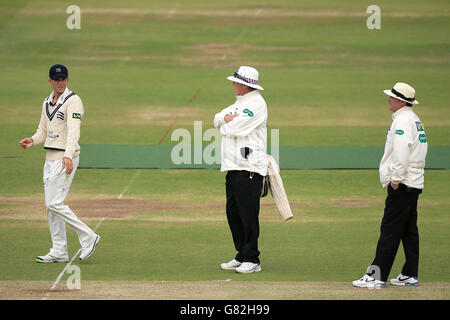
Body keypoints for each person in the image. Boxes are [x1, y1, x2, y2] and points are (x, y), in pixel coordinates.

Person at [19, 64, 100, 263]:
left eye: (63, 79)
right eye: (57, 80)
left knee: (54, 203)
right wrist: (33, 140)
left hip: (65, 157)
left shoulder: (73, 101)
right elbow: (43, 130)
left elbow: (74, 131)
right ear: (50, 81)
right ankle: (59, 251)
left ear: (68, 80)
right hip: (50, 158)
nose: (60, 82)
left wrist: (68, 156)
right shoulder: (47, 102)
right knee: (50, 206)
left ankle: (89, 236)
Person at [353, 82, 428, 288]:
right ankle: (410, 274)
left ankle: (376, 276)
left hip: (402, 184)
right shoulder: (414, 119)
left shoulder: (403, 121)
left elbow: (401, 152)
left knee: (390, 230)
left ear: (400, 101)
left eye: (392, 97)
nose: (388, 99)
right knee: (408, 230)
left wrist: (395, 179)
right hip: (413, 183)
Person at [214, 66, 268, 274]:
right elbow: (217, 117)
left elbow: (235, 129)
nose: (233, 84)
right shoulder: (240, 102)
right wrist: (224, 120)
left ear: (246, 85)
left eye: (236, 82)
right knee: (233, 213)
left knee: (248, 214)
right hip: (233, 166)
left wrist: (227, 122)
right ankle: (242, 254)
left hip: (250, 167)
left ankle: (253, 259)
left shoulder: (257, 104)